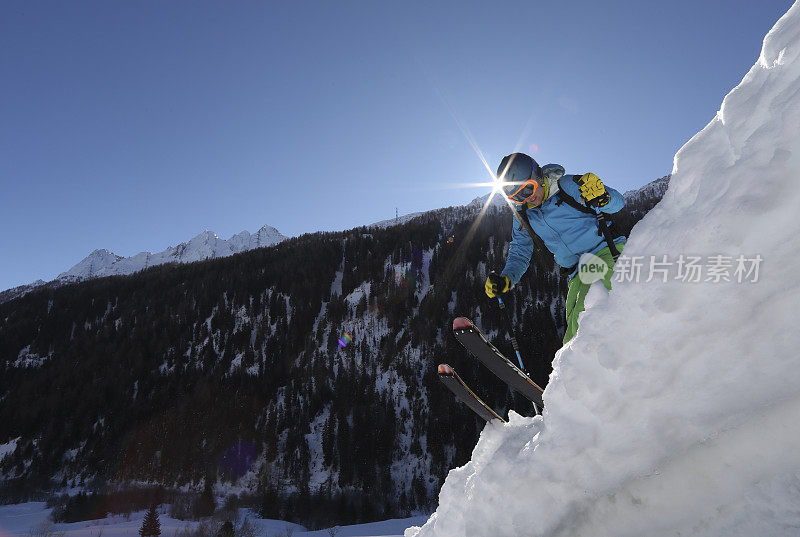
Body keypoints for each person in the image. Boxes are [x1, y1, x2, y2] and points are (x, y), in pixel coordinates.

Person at [484, 152, 627, 344]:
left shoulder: (567, 186)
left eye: (527, 190)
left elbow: (619, 203)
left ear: (537, 176)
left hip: (607, 252)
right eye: (517, 197)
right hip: (577, 271)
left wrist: (603, 196)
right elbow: (520, 250)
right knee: (572, 328)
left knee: (586, 318)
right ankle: (576, 369)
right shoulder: (523, 214)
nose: (527, 198)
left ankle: (583, 369)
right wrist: (507, 278)